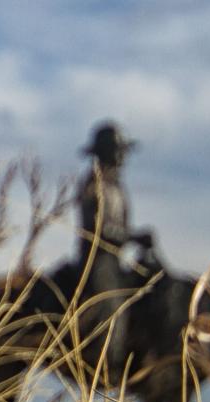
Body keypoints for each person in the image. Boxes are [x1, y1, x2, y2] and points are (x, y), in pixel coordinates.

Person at [76, 120, 153, 373]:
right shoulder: (93, 185)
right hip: (96, 261)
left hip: (116, 260)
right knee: (113, 304)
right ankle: (107, 360)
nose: (123, 157)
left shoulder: (116, 186)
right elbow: (96, 228)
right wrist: (131, 237)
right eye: (118, 151)